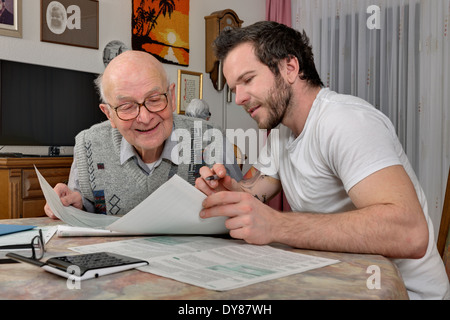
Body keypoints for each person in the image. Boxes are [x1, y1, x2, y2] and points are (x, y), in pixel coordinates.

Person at [195, 21, 450, 300]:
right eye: (234, 88)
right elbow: (255, 191)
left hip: (404, 292)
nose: (239, 98)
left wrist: (277, 226)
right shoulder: (281, 134)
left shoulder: (345, 121)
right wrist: (228, 191)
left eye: (247, 80)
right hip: (342, 282)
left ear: (290, 68)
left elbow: (410, 234)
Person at [44, 50, 242, 218]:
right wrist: (74, 206)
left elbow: (243, 210)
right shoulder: (89, 144)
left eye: (155, 99)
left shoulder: (210, 138)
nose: (145, 118)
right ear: (108, 114)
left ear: (172, 98)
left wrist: (227, 203)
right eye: (127, 106)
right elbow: (86, 206)